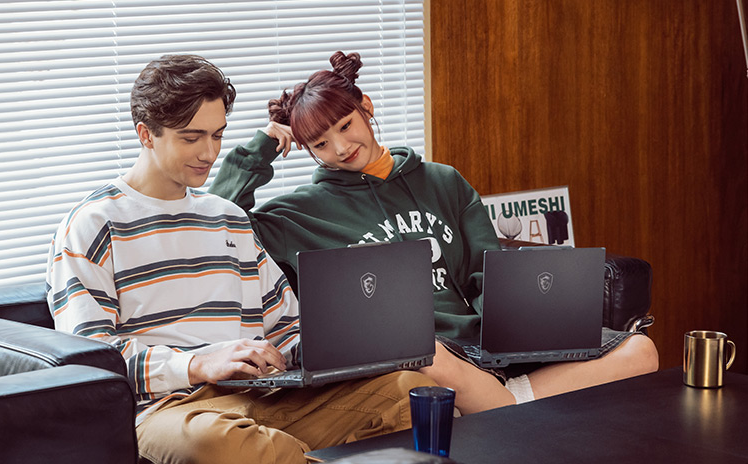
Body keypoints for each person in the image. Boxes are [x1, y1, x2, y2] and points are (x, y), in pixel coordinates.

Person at [209, 51, 659, 415]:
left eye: (345, 127)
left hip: (483, 342)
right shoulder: (296, 215)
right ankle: (510, 405)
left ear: (366, 108)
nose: (341, 149)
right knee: (427, 357)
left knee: (642, 351)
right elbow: (218, 216)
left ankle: (501, 402)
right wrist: (263, 144)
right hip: (427, 356)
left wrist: (520, 334)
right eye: (320, 144)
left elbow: (487, 272)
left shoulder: (443, 181)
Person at [46, 54, 436, 464]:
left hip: (265, 398)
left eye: (217, 135)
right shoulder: (92, 225)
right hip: (172, 413)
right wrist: (197, 365)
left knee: (405, 392)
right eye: (191, 137)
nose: (209, 153)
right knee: (212, 442)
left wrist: (344, 342)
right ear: (146, 134)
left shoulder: (229, 219)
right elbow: (90, 361)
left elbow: (287, 327)